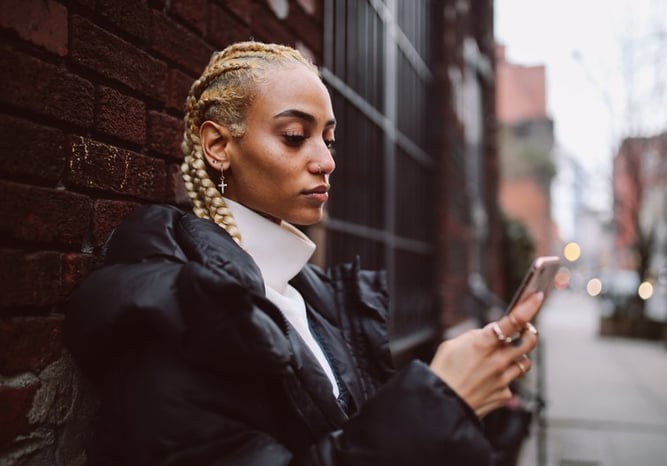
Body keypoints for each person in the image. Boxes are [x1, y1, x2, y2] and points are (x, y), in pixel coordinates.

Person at [65, 41, 543, 466]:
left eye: (328, 139)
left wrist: (460, 398)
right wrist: (441, 402)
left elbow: (347, 434)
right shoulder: (181, 309)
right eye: (295, 136)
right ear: (217, 145)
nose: (326, 161)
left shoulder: (307, 290)